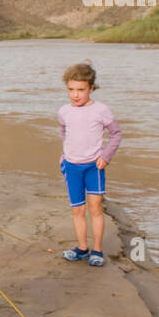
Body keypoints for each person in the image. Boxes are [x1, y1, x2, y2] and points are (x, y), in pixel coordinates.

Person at [57, 61, 122, 267]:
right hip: (72, 167)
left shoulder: (101, 110)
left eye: (81, 90)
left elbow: (116, 134)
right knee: (77, 210)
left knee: (95, 208)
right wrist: (64, 154)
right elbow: (65, 132)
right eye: (71, 90)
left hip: (94, 167)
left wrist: (105, 156)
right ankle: (82, 248)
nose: (75, 95)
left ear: (91, 88)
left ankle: (98, 250)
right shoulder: (64, 111)